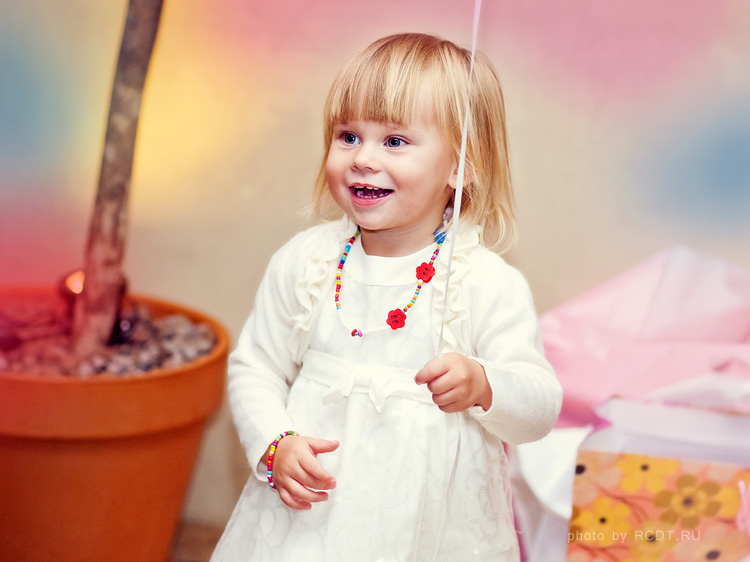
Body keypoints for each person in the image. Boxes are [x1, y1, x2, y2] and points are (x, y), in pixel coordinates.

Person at [210, 32, 562, 562]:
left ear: (462, 165)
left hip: (431, 531)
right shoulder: (307, 262)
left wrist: (485, 383)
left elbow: (539, 407)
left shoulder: (482, 281)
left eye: (395, 141)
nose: (363, 158)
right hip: (310, 521)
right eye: (348, 135)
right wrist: (274, 442)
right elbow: (255, 366)